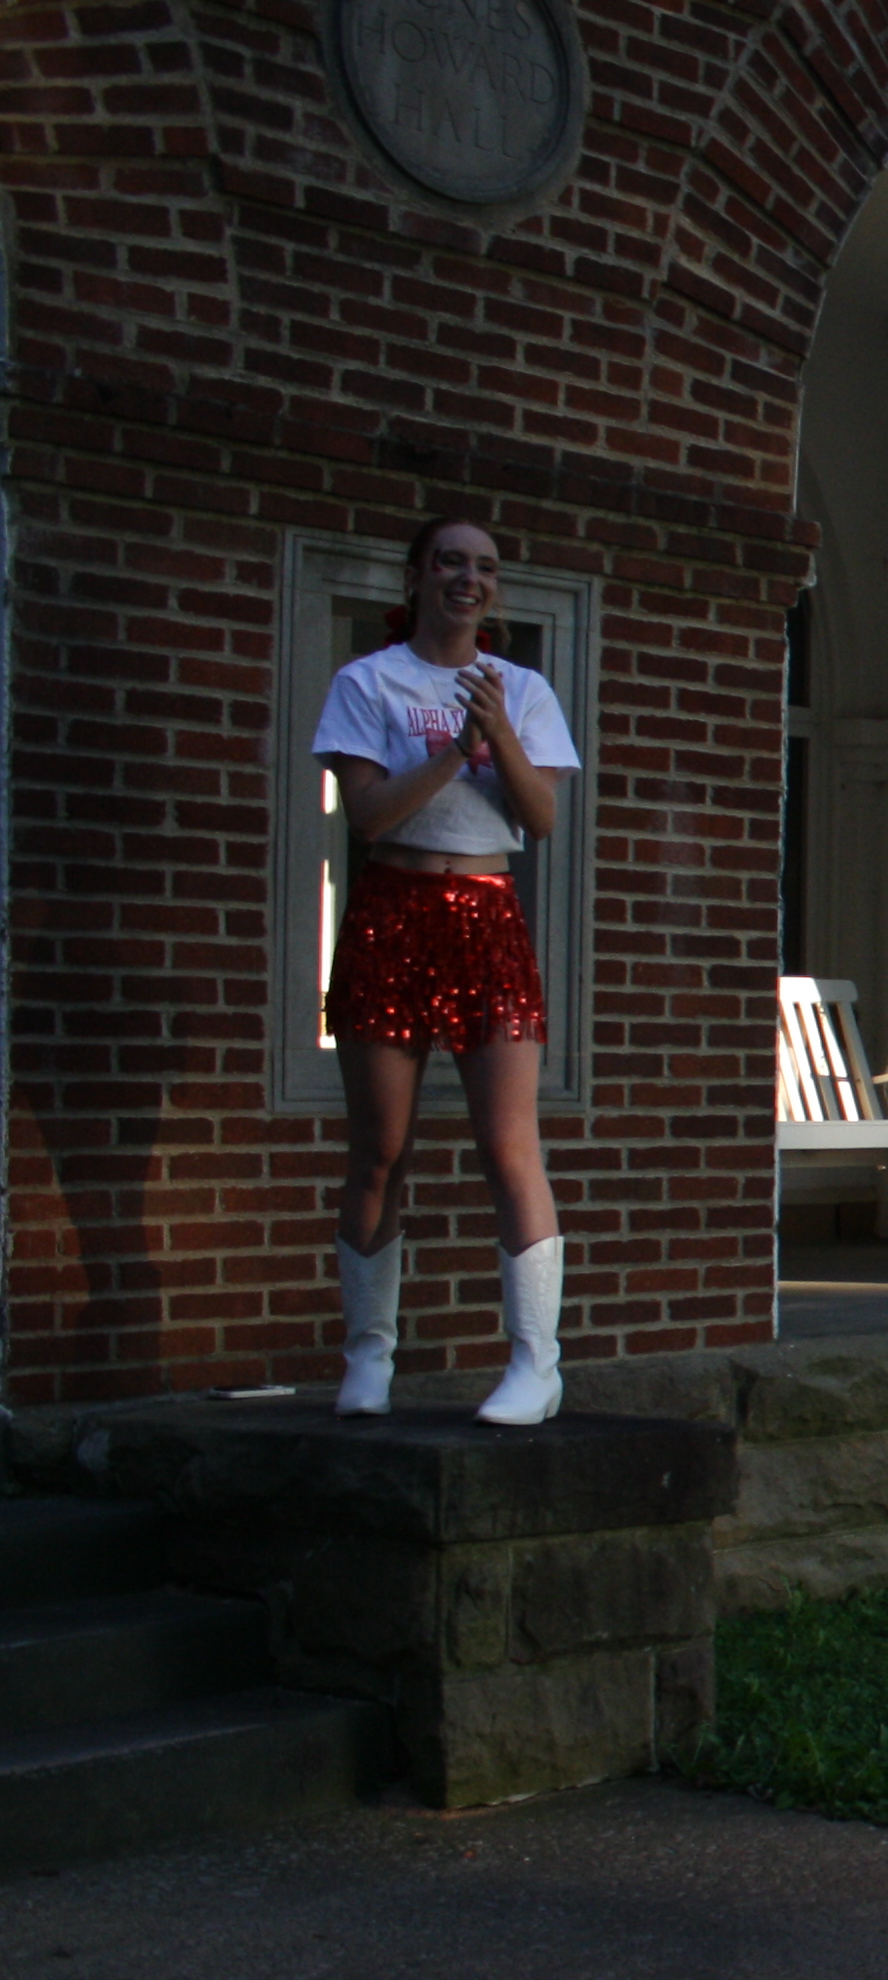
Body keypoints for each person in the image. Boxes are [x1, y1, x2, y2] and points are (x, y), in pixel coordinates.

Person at [314, 514, 579, 1425]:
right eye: (451, 563)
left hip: (486, 913)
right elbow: (368, 815)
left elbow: (540, 816)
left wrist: (497, 730)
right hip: (393, 911)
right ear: (417, 577)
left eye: (486, 568)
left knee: (509, 1146)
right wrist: (454, 751)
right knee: (380, 1150)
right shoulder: (369, 681)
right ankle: (368, 1355)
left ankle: (536, 1364)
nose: (470, 579)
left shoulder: (523, 690)